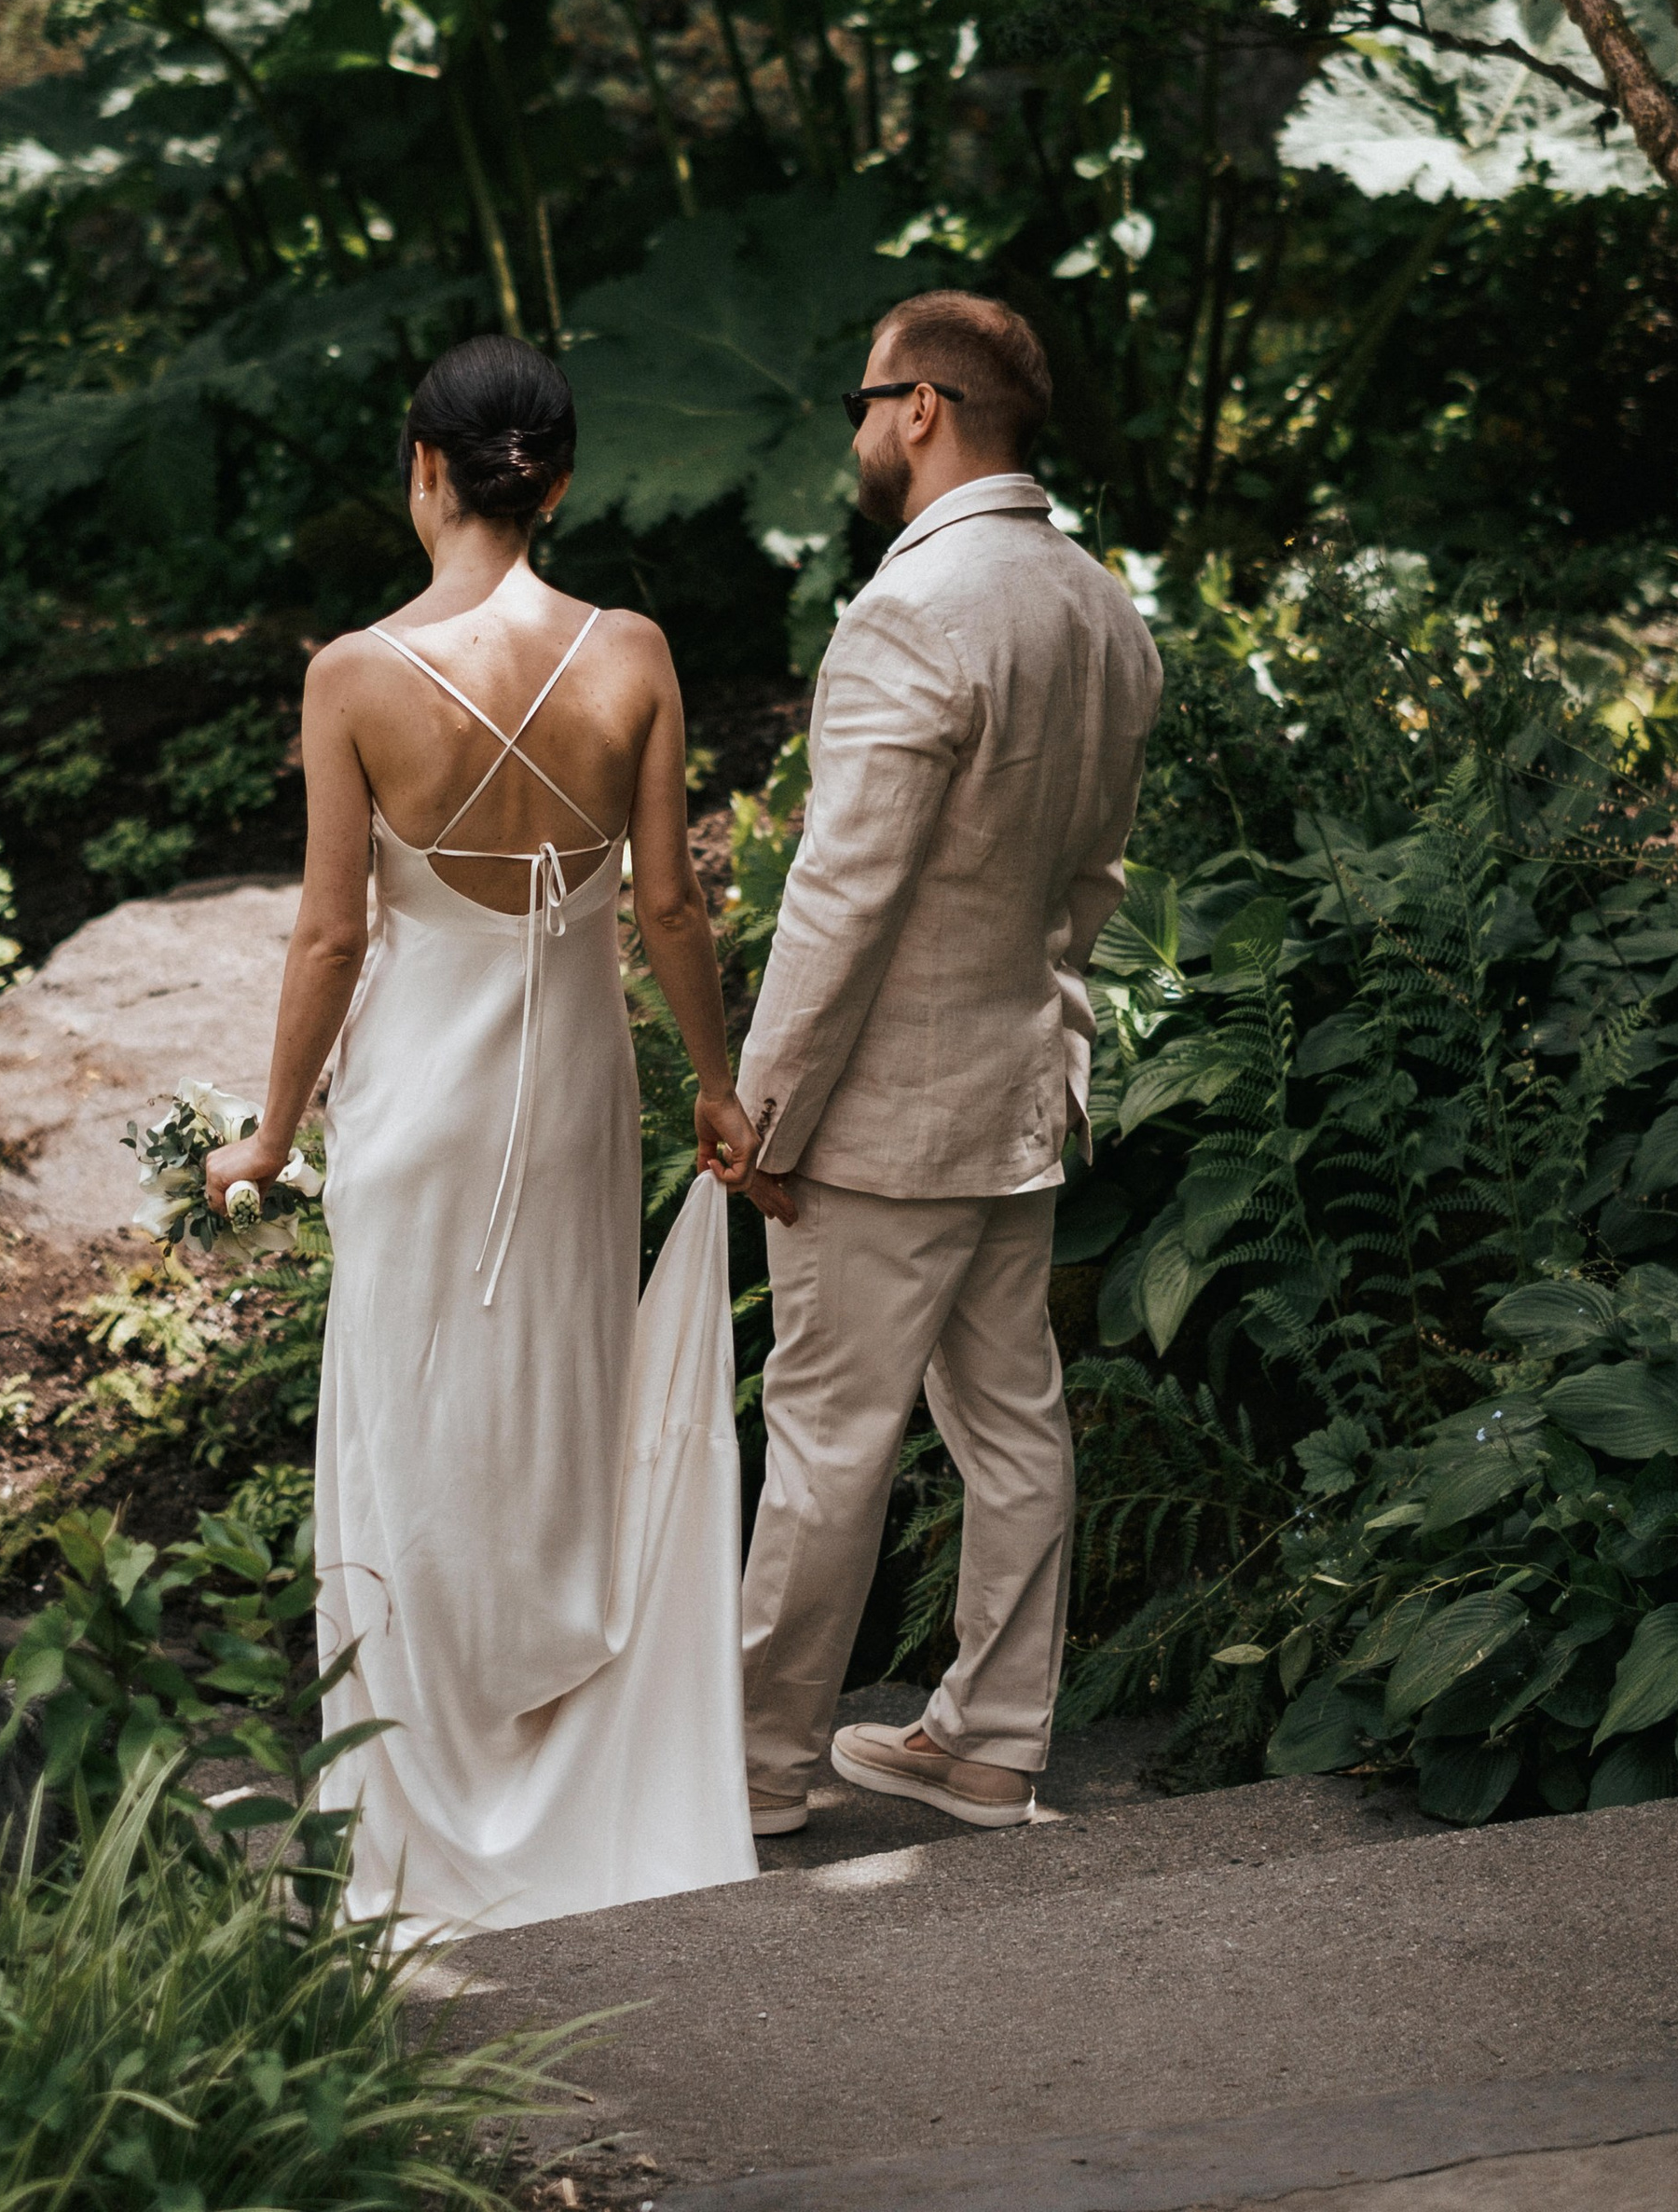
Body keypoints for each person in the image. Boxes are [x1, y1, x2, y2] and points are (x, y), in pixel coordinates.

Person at [203, 335, 762, 1934]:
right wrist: (716, 1086)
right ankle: (577, 1772)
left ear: (425, 470)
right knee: (561, 1416)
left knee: (412, 1427)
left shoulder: (355, 676)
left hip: (421, 1110)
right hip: (576, 1085)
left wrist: (266, 1135)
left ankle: (421, 1822)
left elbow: (327, 939)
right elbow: (666, 904)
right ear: (561, 479)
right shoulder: (634, 652)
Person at [725, 291, 1162, 1834]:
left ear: (921, 408)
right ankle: (991, 1743)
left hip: (885, 1120)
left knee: (830, 1438)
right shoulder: (1105, 610)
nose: (853, 432)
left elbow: (845, 894)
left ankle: (759, 1769)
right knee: (1014, 1419)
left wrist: (762, 1112)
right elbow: (1094, 883)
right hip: (1021, 1090)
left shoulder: (913, 612)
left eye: (862, 400)